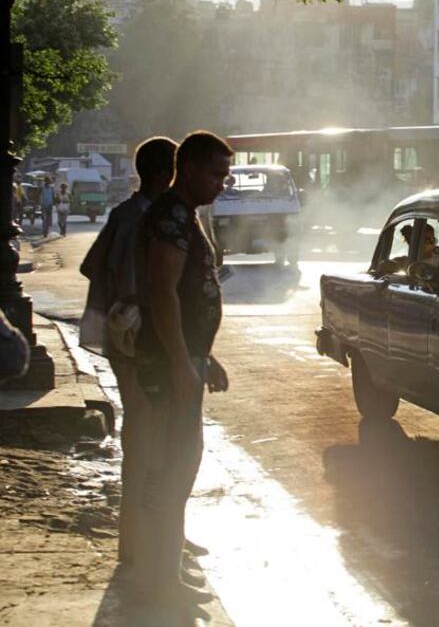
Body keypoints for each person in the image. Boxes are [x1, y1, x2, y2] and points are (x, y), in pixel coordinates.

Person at [80, 137, 193, 577]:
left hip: (122, 334)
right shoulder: (153, 219)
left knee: (141, 436)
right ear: (168, 174)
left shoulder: (124, 213)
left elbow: (92, 266)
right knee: (152, 440)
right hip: (142, 338)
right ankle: (150, 541)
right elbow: (153, 288)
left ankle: (138, 537)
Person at [135, 131, 232, 606]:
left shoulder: (184, 215)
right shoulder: (171, 216)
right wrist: (179, 361)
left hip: (185, 357)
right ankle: (160, 581)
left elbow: (188, 297)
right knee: (174, 469)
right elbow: (162, 292)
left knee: (178, 468)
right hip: (169, 363)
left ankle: (166, 571)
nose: (221, 184)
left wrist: (202, 356)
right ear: (188, 168)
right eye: (215, 174)